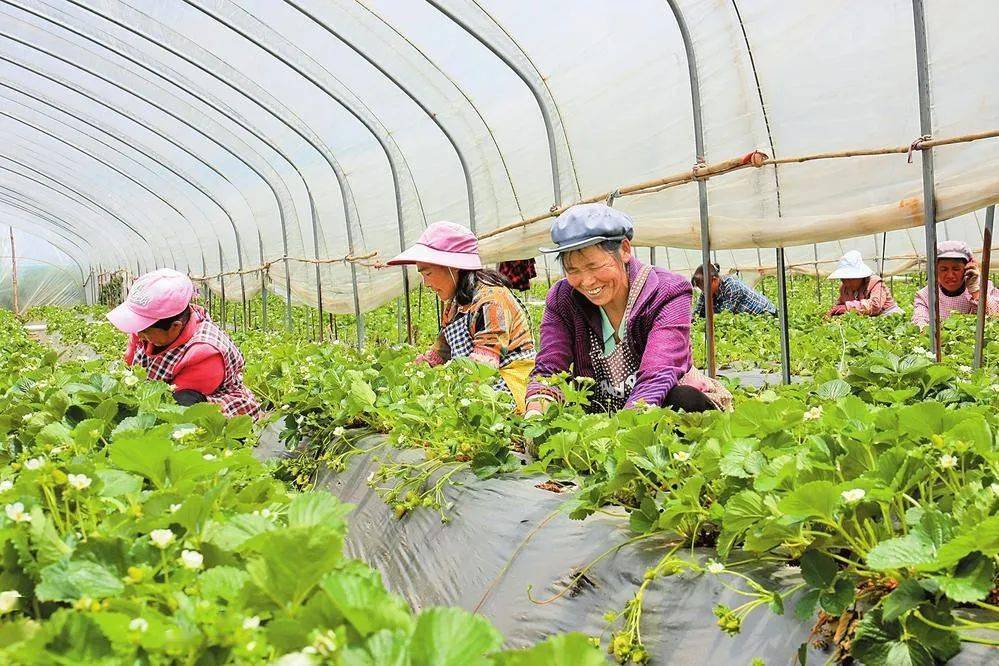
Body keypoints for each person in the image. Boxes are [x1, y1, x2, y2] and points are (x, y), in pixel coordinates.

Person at [524, 203, 731, 416]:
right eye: (573, 270)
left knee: (683, 401)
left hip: (657, 409)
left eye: (594, 266)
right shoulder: (563, 298)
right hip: (599, 415)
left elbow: (658, 374)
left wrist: (622, 436)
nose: (586, 281)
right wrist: (536, 413)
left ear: (624, 250)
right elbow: (549, 369)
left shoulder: (668, 291)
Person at [387, 221, 536, 412]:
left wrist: (441, 388)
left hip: (505, 391)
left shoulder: (491, 300)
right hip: (475, 386)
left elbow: (484, 367)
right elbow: (441, 352)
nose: (426, 283)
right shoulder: (456, 303)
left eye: (429, 273)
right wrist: (411, 374)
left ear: (453, 266)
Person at [107, 269, 261, 418]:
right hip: (153, 390)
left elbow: (169, 403)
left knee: (183, 401)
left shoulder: (206, 353)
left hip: (211, 405)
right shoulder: (145, 331)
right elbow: (128, 363)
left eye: (145, 330)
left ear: (175, 326)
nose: (138, 334)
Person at [913, 240, 999, 328]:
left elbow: (995, 317)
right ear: (935, 271)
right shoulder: (925, 295)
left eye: (956, 269)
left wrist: (976, 292)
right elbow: (920, 323)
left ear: (967, 268)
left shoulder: (985, 287)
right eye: (944, 269)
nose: (950, 275)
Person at [826, 250, 903, 317]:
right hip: (869, 319)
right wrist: (835, 311)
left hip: (889, 316)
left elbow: (875, 305)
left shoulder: (875, 283)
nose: (847, 283)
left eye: (850, 279)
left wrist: (847, 307)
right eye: (843, 279)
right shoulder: (844, 288)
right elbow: (841, 303)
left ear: (860, 276)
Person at [692, 263, 777, 317]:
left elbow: (725, 315)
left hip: (766, 314)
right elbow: (698, 312)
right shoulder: (707, 292)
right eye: (701, 289)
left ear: (714, 280)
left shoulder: (732, 286)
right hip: (751, 319)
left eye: (704, 288)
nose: (704, 292)